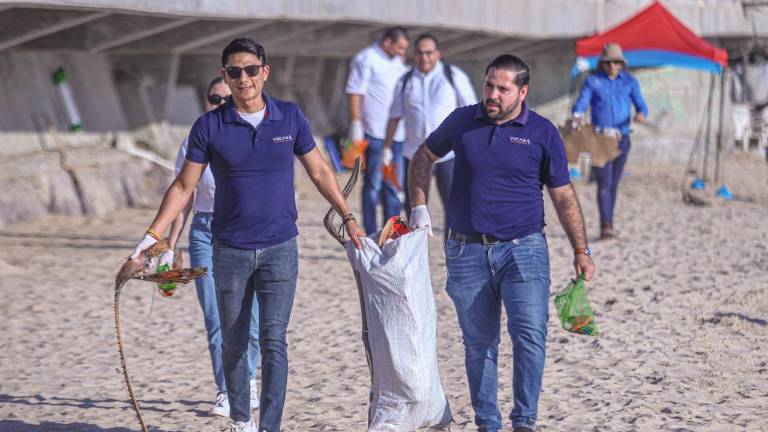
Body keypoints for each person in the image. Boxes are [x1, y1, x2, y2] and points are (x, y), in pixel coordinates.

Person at [129, 38, 363, 432]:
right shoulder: (209, 126)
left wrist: (349, 218)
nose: (244, 79)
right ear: (225, 76)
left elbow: (320, 172)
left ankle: (269, 425)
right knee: (234, 343)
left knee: (274, 343)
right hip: (230, 250)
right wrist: (152, 238)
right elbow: (184, 187)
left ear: (264, 72)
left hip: (280, 249)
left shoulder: (289, 118)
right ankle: (241, 418)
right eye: (234, 72)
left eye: (251, 70)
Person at [408, 54, 596, 432]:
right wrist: (418, 206)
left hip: (524, 250)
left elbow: (562, 195)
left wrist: (580, 249)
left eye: (502, 88)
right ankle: (487, 423)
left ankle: (524, 420)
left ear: (522, 92)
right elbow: (423, 156)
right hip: (465, 251)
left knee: (529, 337)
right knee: (479, 345)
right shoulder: (463, 120)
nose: (492, 94)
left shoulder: (542, 132)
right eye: (489, 85)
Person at [157, 77, 259, 418]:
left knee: (252, 317)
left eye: (226, 99)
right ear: (205, 100)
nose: (219, 104)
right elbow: (183, 193)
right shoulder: (194, 140)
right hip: (204, 231)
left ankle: (248, 381)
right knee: (216, 316)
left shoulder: (251, 136)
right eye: (213, 98)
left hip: (246, 233)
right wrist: (170, 243)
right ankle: (227, 390)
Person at [384, 32, 477, 239]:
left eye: (429, 53)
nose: (424, 57)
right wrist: (387, 148)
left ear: (438, 54)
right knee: (414, 210)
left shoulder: (453, 76)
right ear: (413, 54)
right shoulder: (405, 81)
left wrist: (471, 148)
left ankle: (451, 254)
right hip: (414, 155)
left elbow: (472, 112)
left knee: (453, 209)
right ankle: (415, 257)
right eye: (420, 53)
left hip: (448, 156)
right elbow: (394, 116)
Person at [571, 43, 648, 239]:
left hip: (622, 138)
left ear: (622, 63)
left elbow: (641, 105)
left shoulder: (629, 81)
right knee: (604, 181)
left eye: (616, 62)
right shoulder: (592, 81)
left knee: (614, 182)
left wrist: (641, 114)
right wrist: (577, 115)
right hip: (599, 139)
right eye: (608, 62)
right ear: (602, 63)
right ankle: (605, 224)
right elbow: (581, 104)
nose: (612, 66)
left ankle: (610, 220)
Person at [345, 27, 409, 234]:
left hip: (396, 136)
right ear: (388, 42)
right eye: (399, 47)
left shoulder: (398, 64)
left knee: (393, 186)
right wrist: (356, 124)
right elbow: (355, 92)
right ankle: (372, 231)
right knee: (373, 185)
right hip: (373, 133)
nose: (402, 52)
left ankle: (391, 233)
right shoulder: (366, 59)